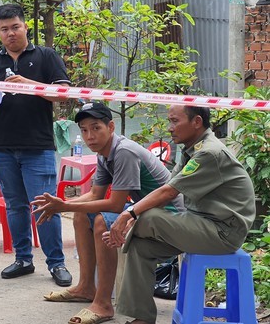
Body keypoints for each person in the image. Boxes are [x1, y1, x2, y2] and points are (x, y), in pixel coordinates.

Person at [32, 102, 183, 324]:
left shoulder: (124, 152)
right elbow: (95, 195)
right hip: (144, 211)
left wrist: (64, 206)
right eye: (84, 130)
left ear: (110, 127)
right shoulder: (104, 153)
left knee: (104, 220)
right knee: (82, 215)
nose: (89, 136)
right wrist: (61, 203)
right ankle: (86, 287)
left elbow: (113, 204)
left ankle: (103, 304)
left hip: (168, 216)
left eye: (96, 128)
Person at [106, 105, 256, 324]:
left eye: (175, 121)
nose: (170, 128)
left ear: (196, 122)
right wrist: (131, 218)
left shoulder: (209, 153)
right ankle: (143, 318)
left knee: (147, 217)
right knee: (141, 246)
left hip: (223, 232)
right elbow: (167, 189)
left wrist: (128, 215)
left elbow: (168, 192)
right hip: (200, 224)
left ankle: (118, 235)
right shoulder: (190, 150)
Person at [0, 3, 72, 286]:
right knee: (15, 205)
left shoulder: (45, 56)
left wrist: (29, 83)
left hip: (37, 145)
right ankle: (23, 259)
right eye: (4, 29)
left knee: (44, 205)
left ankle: (57, 263)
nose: (10, 33)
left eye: (15, 27)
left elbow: (63, 95)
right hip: (0, 145)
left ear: (25, 26)